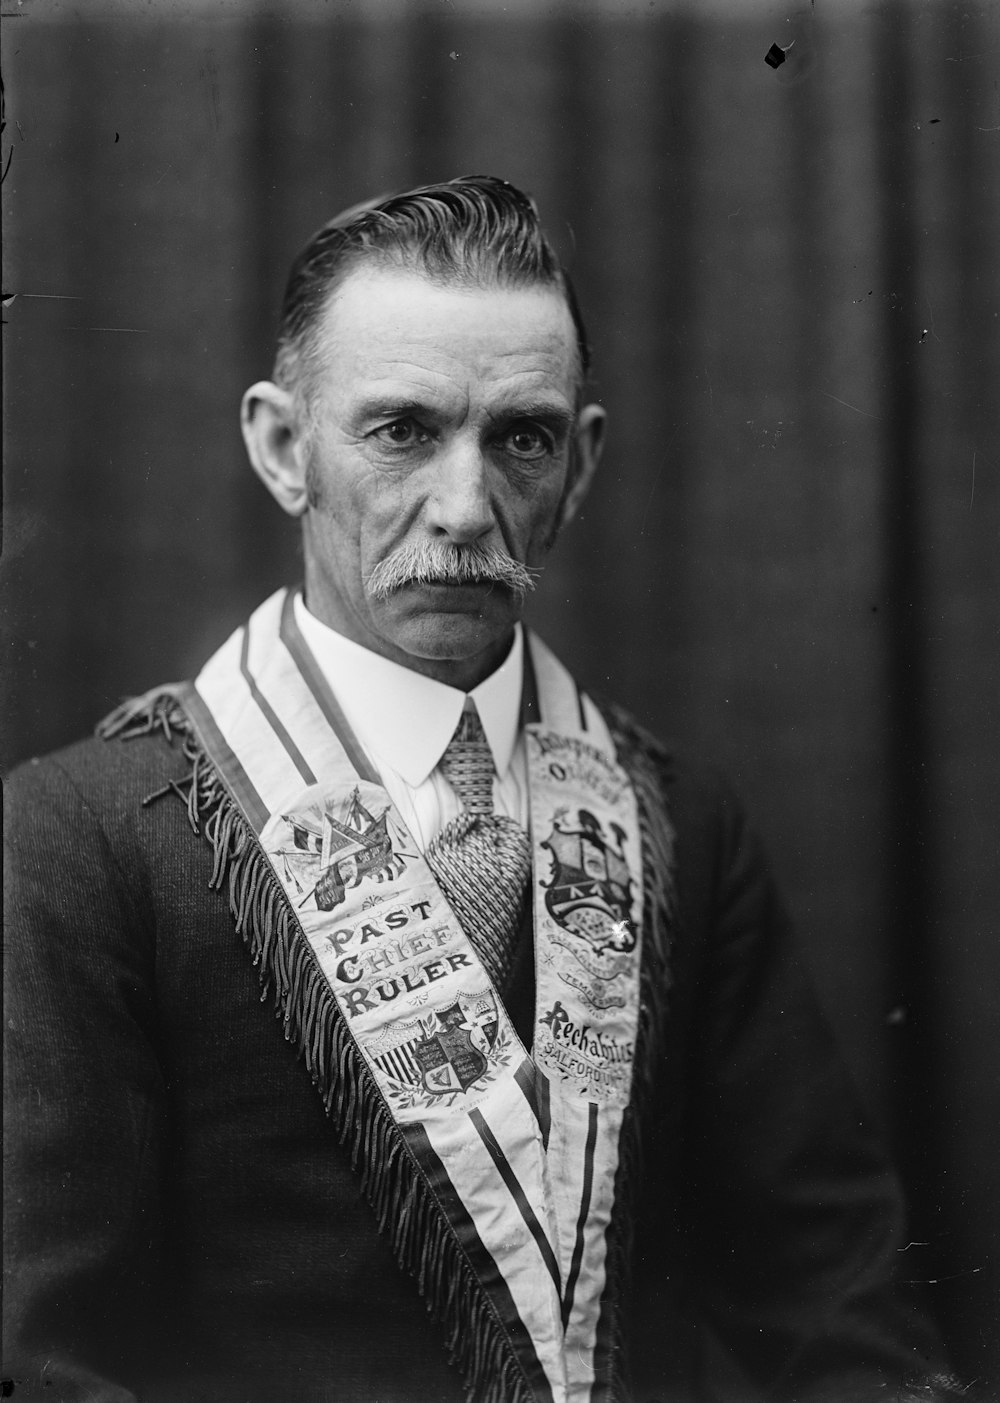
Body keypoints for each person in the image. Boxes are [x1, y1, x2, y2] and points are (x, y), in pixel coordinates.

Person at [3, 176, 958, 1403]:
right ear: (283, 447)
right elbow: (42, 1360)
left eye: (521, 436)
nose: (464, 510)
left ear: (582, 463)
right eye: (401, 430)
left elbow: (836, 1304)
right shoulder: (80, 838)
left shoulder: (676, 821)